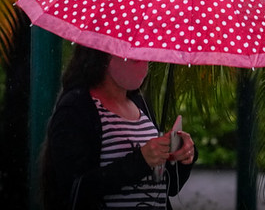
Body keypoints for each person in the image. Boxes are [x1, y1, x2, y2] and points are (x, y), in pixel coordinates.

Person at [40, 44, 197, 209]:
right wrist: (140, 161)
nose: (143, 59)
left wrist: (181, 157)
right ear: (101, 54)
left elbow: (167, 187)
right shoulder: (77, 108)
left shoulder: (140, 104)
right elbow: (75, 190)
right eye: (133, 53)